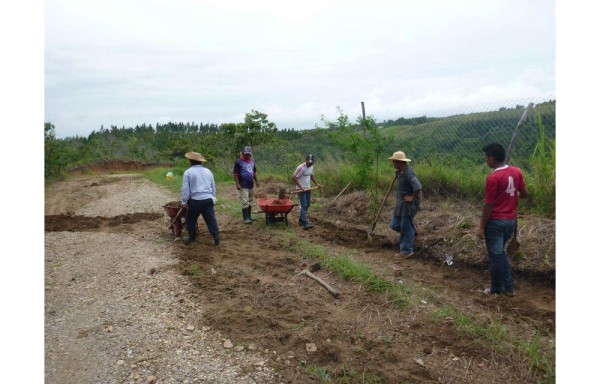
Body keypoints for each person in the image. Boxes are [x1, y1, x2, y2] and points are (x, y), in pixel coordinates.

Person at [478, 143, 528, 296]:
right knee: (500, 254)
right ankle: (509, 287)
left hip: (495, 222)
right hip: (510, 222)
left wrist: (481, 227)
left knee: (496, 257)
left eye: (486, 157)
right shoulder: (516, 172)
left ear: (492, 159)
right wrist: (512, 197)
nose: (486, 160)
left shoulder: (493, 178)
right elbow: (524, 194)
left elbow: (489, 205)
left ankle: (496, 289)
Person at [181, 151, 220, 246]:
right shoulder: (208, 171)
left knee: (190, 219)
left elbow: (186, 189)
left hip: (195, 201)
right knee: (211, 220)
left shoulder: (188, 172)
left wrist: (184, 201)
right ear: (200, 161)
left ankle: (191, 239)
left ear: (190, 161)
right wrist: (213, 197)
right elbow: (213, 186)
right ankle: (216, 239)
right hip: (208, 199)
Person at [388, 151, 422, 257]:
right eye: (393, 161)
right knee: (394, 225)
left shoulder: (408, 173)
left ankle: (406, 251)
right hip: (400, 204)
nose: (393, 164)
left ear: (400, 163)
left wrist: (412, 197)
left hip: (408, 205)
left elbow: (418, 186)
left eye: (395, 162)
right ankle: (411, 232)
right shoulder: (400, 172)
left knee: (405, 226)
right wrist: (398, 174)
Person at [292, 154, 320, 229]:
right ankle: (304, 222)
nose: (310, 163)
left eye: (311, 162)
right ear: (306, 160)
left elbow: (311, 176)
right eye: (309, 162)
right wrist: (301, 187)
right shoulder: (301, 167)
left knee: (308, 204)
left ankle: (301, 219)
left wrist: (317, 184)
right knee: (304, 204)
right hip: (300, 189)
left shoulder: (311, 167)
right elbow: (294, 177)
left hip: (308, 188)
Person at [233, 146, 259, 224]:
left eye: (249, 154)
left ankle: (249, 216)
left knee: (250, 200)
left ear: (250, 154)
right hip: (243, 184)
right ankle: (245, 218)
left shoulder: (252, 162)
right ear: (243, 154)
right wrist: (237, 184)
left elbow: (254, 173)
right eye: (246, 154)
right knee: (245, 201)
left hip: (250, 184)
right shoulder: (238, 162)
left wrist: (257, 181)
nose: (247, 155)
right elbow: (235, 174)